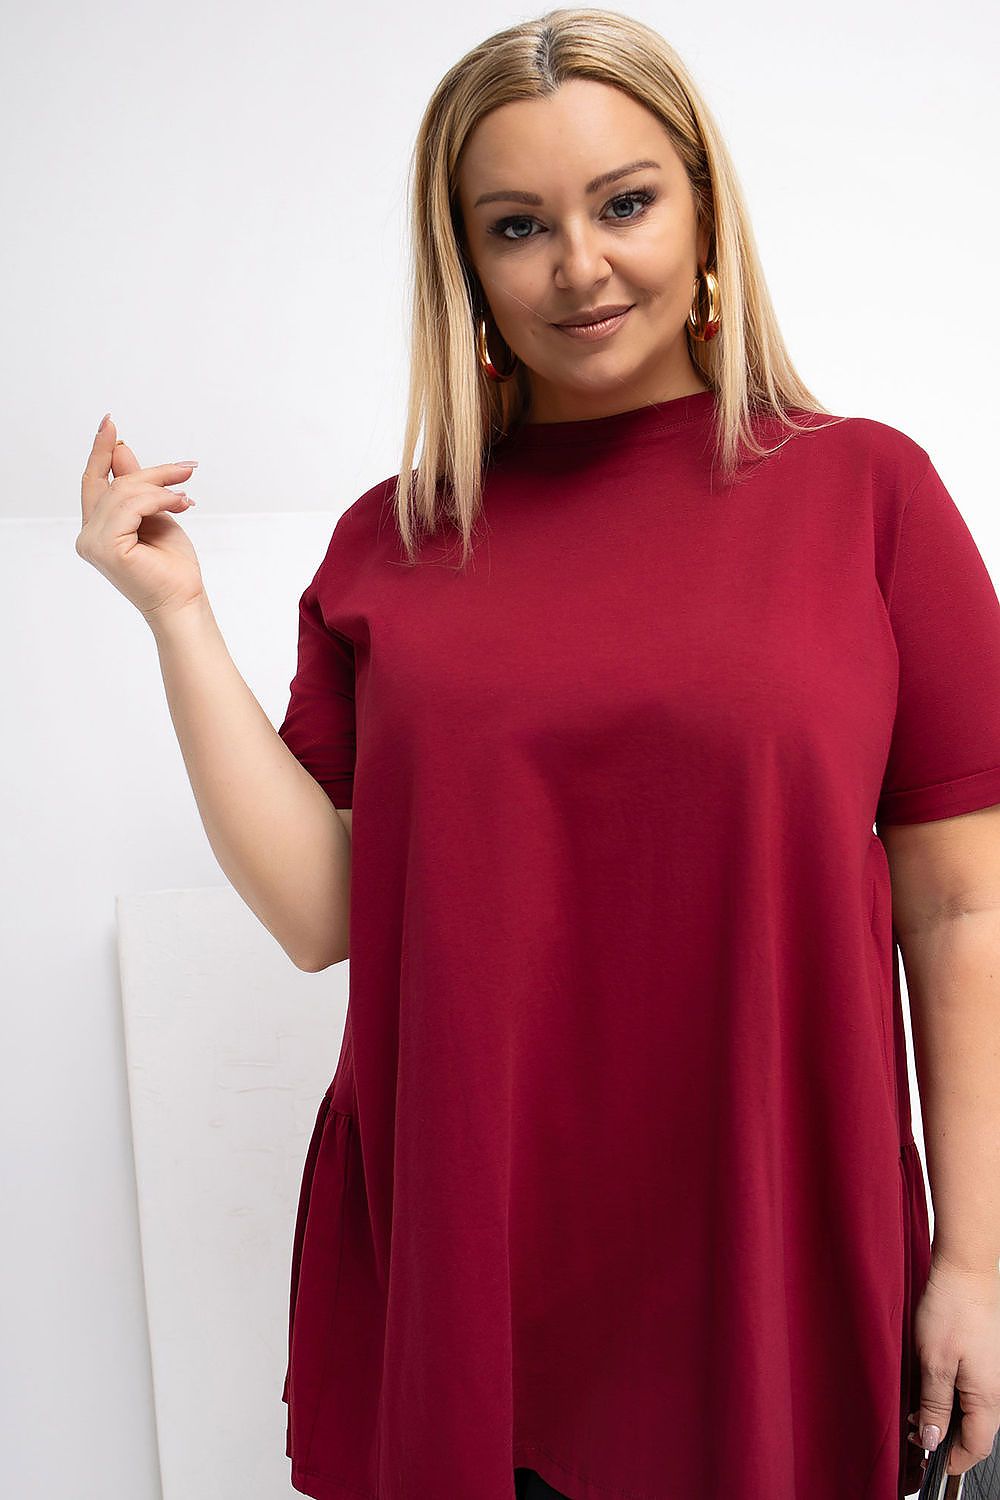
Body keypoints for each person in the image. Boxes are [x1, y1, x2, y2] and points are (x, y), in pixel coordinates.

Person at [76, 8, 1000, 1499]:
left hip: (775, 1255)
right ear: (468, 264)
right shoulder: (394, 539)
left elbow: (963, 909)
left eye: (624, 202)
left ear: (702, 209)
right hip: (473, 1271)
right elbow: (324, 916)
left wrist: (980, 1255)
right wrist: (176, 613)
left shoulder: (867, 495)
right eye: (519, 226)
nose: (580, 265)